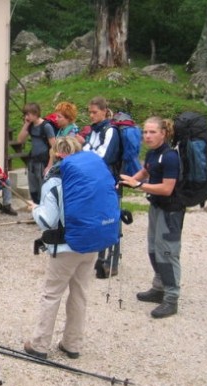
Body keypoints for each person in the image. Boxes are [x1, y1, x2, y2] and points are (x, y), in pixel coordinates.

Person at [23, 136, 98, 360]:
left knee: (51, 294)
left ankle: (39, 344)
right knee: (80, 293)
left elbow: (47, 220)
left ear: (55, 153)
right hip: (91, 242)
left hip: (66, 245)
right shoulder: (91, 174)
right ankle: (72, 344)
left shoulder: (55, 179)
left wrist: (35, 209)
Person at [119, 116, 184, 319]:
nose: (147, 136)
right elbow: (146, 171)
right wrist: (127, 180)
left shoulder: (170, 156)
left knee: (167, 252)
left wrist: (138, 186)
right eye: (145, 132)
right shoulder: (153, 154)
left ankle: (171, 299)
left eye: (152, 132)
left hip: (170, 210)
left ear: (163, 134)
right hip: (156, 207)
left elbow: (166, 188)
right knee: (154, 249)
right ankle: (158, 289)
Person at [81, 96, 122, 279]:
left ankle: (111, 263)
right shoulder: (94, 131)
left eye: (94, 112)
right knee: (97, 218)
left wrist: (89, 155)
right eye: (90, 112)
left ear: (105, 111)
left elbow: (103, 156)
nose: (91, 115)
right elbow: (86, 150)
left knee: (111, 220)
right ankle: (97, 259)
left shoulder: (110, 130)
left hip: (110, 182)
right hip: (96, 180)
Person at [17, 102, 56, 204]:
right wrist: (26, 124)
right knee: (33, 189)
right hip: (32, 162)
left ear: (35, 113)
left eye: (28, 114)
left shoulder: (46, 127)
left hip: (43, 162)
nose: (26, 117)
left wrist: (50, 165)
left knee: (43, 188)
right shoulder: (30, 126)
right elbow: (20, 140)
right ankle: (37, 209)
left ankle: (45, 212)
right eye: (25, 114)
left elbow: (54, 147)